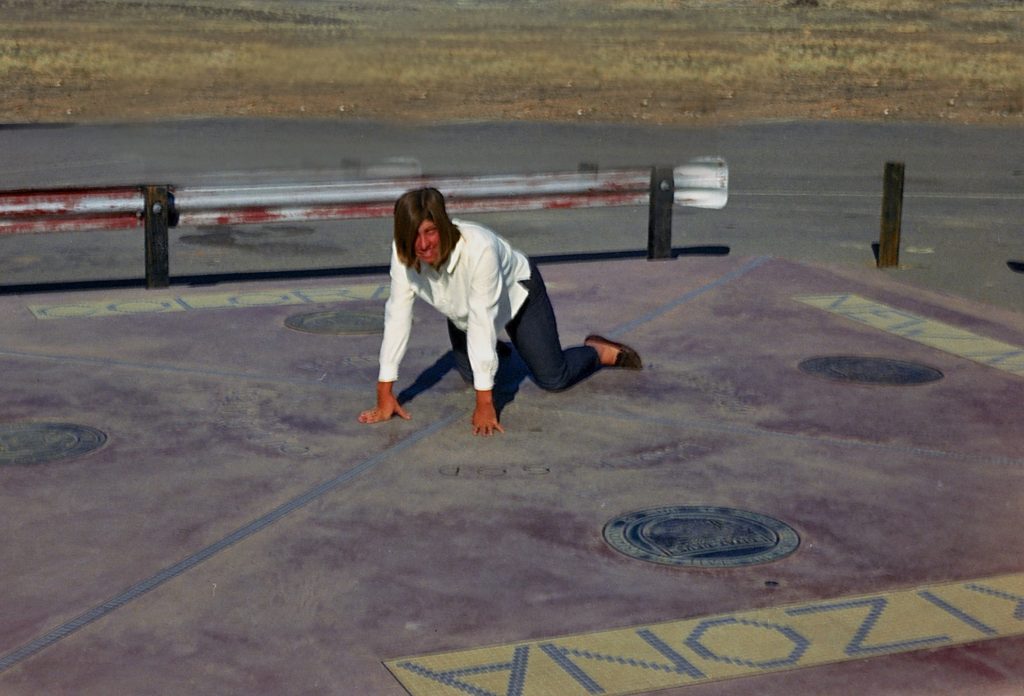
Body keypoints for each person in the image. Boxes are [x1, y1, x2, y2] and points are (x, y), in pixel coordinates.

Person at [358, 187, 641, 436]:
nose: (422, 244)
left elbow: (482, 321)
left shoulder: (479, 248)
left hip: (517, 298)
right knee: (473, 376)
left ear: (443, 227)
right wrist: (385, 394)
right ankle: (501, 350)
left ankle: (599, 351)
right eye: (413, 235)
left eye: (430, 231)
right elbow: (397, 317)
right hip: (464, 315)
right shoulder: (403, 253)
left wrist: (485, 405)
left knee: (554, 379)